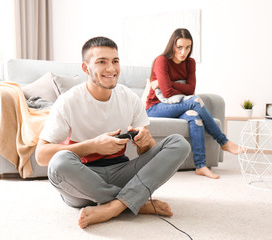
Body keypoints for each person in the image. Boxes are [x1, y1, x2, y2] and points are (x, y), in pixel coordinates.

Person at [35, 36, 191, 228]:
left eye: (115, 61)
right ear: (86, 68)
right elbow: (41, 156)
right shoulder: (68, 101)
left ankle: (114, 207)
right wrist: (92, 146)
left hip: (122, 172)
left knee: (179, 143)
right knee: (59, 163)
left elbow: (148, 154)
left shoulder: (129, 98)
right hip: (83, 180)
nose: (111, 69)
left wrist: (145, 143)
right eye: (102, 62)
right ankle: (135, 202)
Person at [146, 28, 240, 179]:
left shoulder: (190, 63)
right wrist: (174, 86)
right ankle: (223, 141)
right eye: (179, 47)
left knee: (194, 115)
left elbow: (191, 89)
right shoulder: (161, 61)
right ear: (172, 46)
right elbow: (168, 94)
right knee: (195, 102)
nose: (183, 52)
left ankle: (201, 166)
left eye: (187, 47)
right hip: (156, 108)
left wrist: (167, 82)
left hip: (178, 105)